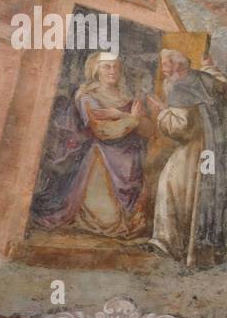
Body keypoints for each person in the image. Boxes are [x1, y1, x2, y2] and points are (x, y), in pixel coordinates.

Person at [30, 53, 152, 238]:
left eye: (116, 66)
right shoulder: (87, 97)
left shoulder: (128, 98)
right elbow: (103, 131)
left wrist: (123, 116)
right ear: (96, 70)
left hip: (131, 161)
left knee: (135, 220)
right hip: (103, 161)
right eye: (107, 66)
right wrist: (132, 119)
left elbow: (149, 130)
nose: (113, 71)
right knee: (108, 221)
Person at [145, 47, 227, 266]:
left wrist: (163, 112)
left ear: (178, 65)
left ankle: (170, 243)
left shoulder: (178, 88)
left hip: (195, 148)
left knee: (172, 185)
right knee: (205, 192)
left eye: (166, 64)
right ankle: (202, 251)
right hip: (215, 147)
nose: (164, 69)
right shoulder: (204, 78)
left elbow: (182, 127)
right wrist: (210, 68)